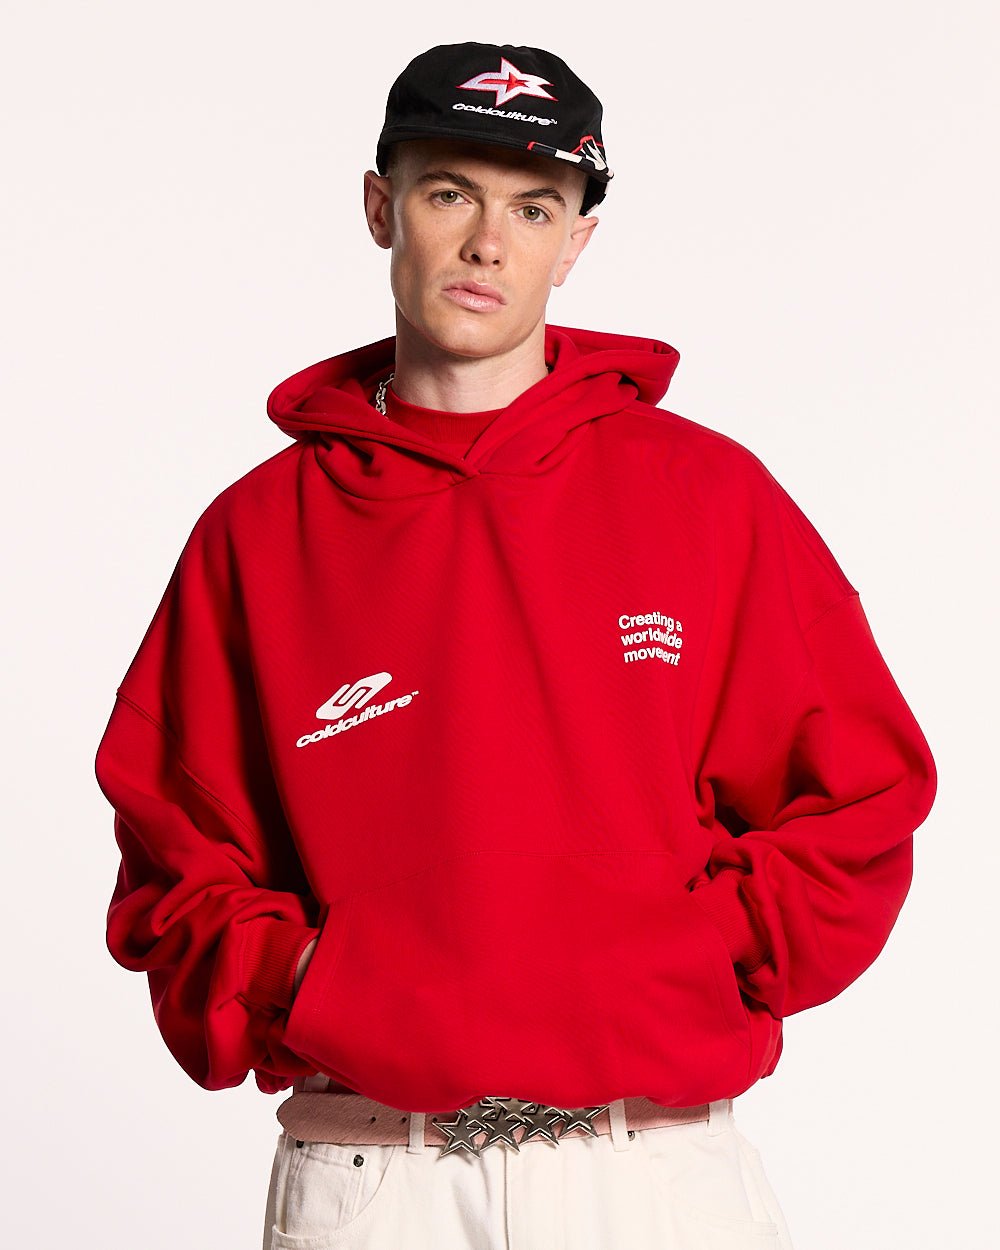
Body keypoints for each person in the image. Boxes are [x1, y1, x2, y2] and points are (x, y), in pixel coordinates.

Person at [94, 40, 937, 1250]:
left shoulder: (707, 496)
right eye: (450, 192)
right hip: (378, 1175)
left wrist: (687, 955)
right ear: (380, 206)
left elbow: (858, 797)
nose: (489, 242)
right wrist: (318, 982)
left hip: (649, 1171)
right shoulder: (257, 535)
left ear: (576, 240)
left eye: (533, 207)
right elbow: (175, 860)